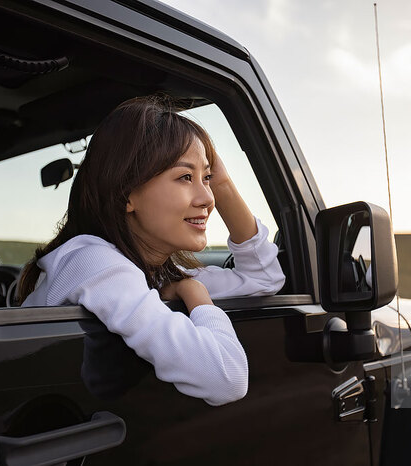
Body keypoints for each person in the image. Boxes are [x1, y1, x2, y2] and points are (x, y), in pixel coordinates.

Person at [16, 95, 285, 406]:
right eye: (185, 177)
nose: (208, 198)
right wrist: (195, 292)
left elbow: (264, 279)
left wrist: (222, 182)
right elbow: (226, 378)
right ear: (127, 194)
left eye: (207, 179)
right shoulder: (95, 261)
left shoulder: (156, 272)